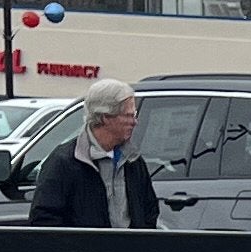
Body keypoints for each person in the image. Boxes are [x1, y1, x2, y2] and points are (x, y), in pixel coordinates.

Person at [28, 81, 159, 228]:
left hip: (129, 250)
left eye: (133, 115)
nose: (134, 122)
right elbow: (44, 221)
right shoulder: (64, 163)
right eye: (128, 116)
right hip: (83, 250)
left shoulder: (133, 160)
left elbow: (150, 210)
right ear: (105, 117)